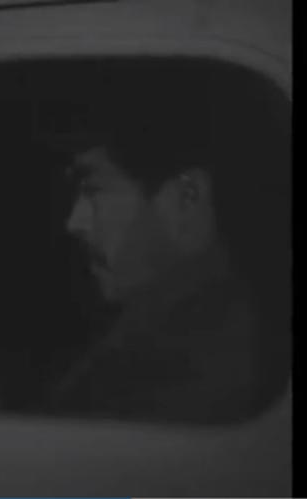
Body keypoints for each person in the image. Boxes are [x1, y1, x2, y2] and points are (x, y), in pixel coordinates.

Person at [45, 66, 292, 425]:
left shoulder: (187, 359)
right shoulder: (197, 323)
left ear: (187, 198)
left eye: (93, 190)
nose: (75, 223)